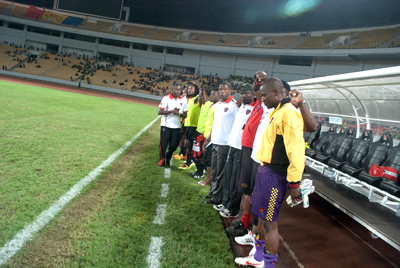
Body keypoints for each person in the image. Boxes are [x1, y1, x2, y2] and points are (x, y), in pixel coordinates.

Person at [251, 78, 306, 267]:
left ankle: (268, 265)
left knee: (269, 223)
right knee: (261, 216)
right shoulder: (278, 111)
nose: (262, 99)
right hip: (266, 171)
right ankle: (258, 258)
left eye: (264, 95)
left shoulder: (289, 113)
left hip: (275, 175)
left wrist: (294, 183)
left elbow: (297, 151)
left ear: (276, 93)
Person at [214, 83, 256, 217]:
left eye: (247, 93)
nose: (244, 95)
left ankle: (232, 209)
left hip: (241, 148)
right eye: (242, 93)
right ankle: (225, 203)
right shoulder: (241, 106)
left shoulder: (255, 108)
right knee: (227, 176)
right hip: (231, 145)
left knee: (234, 180)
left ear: (253, 95)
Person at [203, 82, 239, 205]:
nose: (222, 91)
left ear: (230, 91)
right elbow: (215, 124)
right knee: (214, 170)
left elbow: (237, 125)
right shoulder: (218, 105)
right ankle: (213, 192)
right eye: (220, 89)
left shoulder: (234, 106)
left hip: (225, 144)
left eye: (225, 89)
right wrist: (209, 139)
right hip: (215, 142)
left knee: (220, 173)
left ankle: (217, 198)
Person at [157, 84, 188, 166]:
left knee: (174, 144)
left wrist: (178, 113)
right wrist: (171, 111)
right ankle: (162, 159)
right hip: (165, 125)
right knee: (163, 143)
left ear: (180, 91)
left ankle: (169, 154)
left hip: (176, 126)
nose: (177, 91)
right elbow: (159, 112)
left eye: (178, 90)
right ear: (172, 89)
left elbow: (185, 115)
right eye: (175, 89)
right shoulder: (166, 98)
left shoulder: (183, 101)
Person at [198, 88, 220, 186]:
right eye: (211, 94)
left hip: (211, 139)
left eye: (213, 94)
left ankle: (208, 181)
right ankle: (208, 179)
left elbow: (215, 124)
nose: (211, 96)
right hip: (208, 137)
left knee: (209, 161)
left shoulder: (218, 107)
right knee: (207, 160)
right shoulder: (213, 106)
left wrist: (208, 139)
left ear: (219, 95)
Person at [190, 86, 214, 179]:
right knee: (196, 154)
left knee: (197, 155)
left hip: (202, 134)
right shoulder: (205, 103)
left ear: (205, 94)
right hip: (199, 132)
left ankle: (199, 173)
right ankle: (200, 171)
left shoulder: (210, 105)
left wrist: (205, 134)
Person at [179, 82, 201, 170]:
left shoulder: (199, 98)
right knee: (189, 144)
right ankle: (189, 161)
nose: (189, 90)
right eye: (189, 89)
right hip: (189, 125)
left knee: (191, 145)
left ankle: (190, 162)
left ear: (196, 90)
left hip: (195, 126)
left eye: (192, 89)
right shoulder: (190, 99)